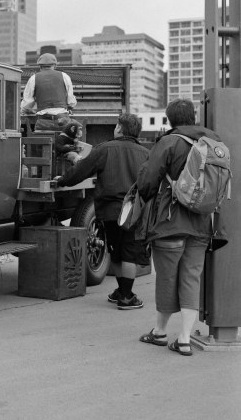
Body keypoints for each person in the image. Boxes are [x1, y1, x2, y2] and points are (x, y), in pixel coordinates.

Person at [137, 98, 222, 356]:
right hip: (202, 223)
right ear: (194, 117)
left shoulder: (169, 142)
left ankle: (160, 332)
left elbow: (147, 182)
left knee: (167, 278)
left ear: (170, 119)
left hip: (170, 222)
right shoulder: (213, 143)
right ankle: (184, 338)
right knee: (190, 279)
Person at [54, 113, 150, 309]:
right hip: (134, 211)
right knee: (129, 253)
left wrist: (62, 180)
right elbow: (151, 184)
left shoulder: (104, 149)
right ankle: (125, 294)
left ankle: (124, 294)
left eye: (116, 126)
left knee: (115, 251)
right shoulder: (146, 154)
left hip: (109, 210)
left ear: (120, 129)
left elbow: (82, 170)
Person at [21, 53, 77, 131]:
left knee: (41, 138)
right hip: (62, 120)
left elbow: (26, 105)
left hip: (43, 121)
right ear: (55, 66)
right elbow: (71, 102)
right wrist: (67, 107)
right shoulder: (64, 76)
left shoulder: (33, 78)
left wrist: (28, 110)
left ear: (40, 66)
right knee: (67, 138)